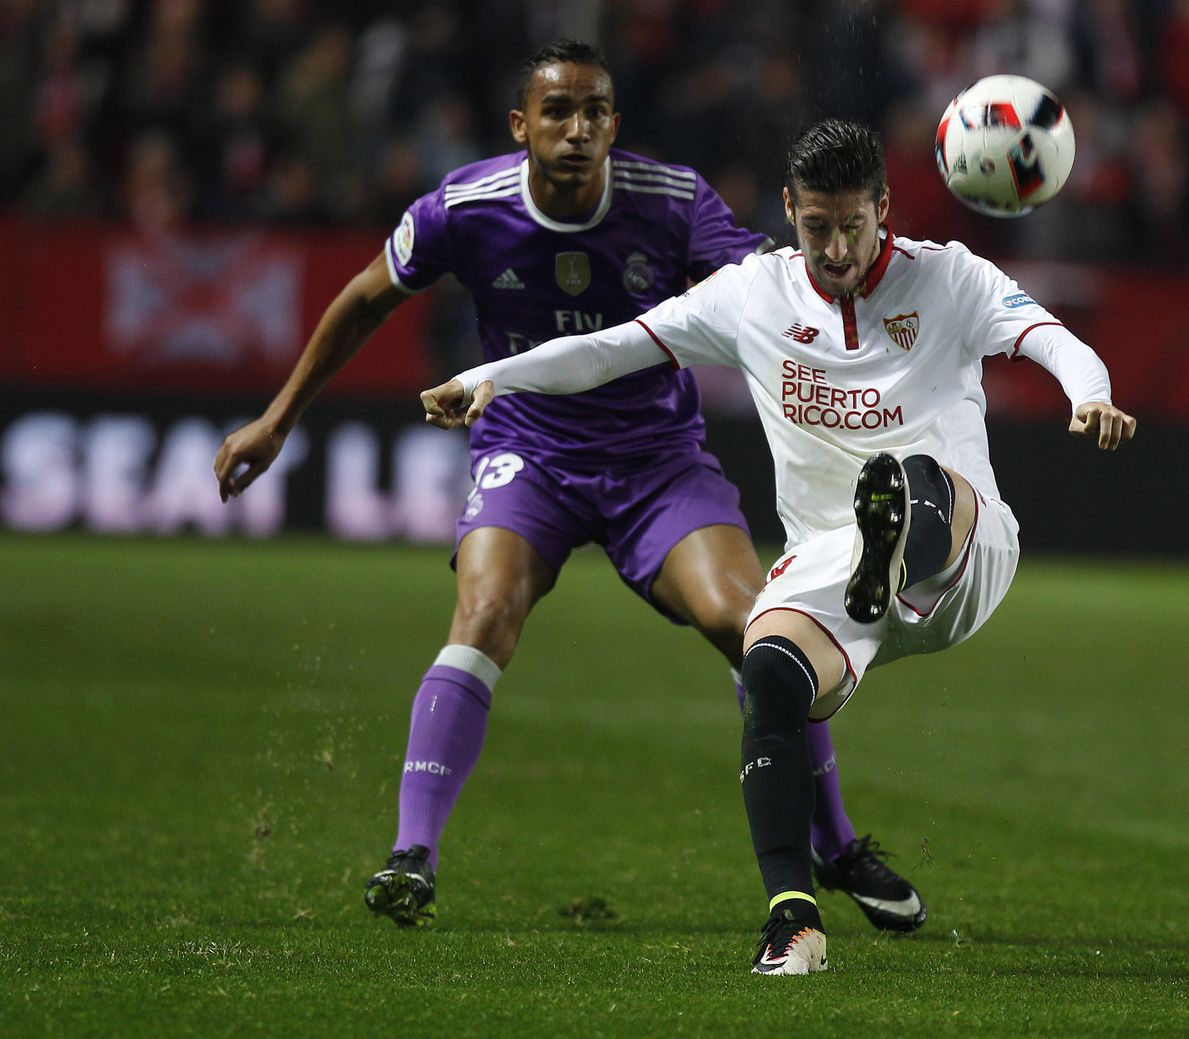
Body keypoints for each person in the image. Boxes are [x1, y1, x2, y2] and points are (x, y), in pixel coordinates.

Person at [212, 42, 925, 933]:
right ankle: (411, 854)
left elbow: (773, 290)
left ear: (615, 126)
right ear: (521, 126)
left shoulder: (671, 201)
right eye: (558, 111)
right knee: (482, 616)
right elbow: (364, 297)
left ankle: (836, 842)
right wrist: (278, 418)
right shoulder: (464, 207)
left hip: (656, 459)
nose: (577, 128)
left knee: (759, 630)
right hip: (528, 453)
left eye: (595, 112)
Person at [419, 118, 1137, 974]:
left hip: (964, 552)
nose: (835, 248)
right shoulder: (751, 294)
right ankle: (792, 919)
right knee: (766, 673)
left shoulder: (948, 276)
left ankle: (901, 532)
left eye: (853, 226)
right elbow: (612, 349)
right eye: (815, 226)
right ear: (791, 210)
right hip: (835, 563)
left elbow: (1052, 338)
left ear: (885, 209)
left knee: (913, 479)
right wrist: (493, 376)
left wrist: (1089, 393)